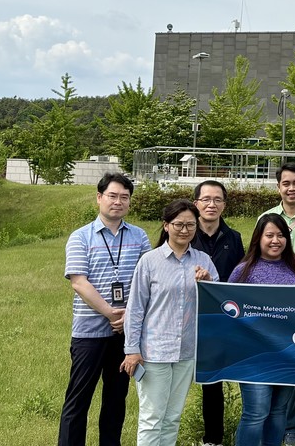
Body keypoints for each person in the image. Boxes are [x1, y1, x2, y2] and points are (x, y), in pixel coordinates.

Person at [59, 172, 152, 446]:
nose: (118, 202)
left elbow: (147, 280)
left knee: (116, 398)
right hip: (89, 333)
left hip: (126, 334)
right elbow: (79, 282)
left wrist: (130, 316)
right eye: (112, 196)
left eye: (124, 197)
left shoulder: (139, 236)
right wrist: (112, 313)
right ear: (99, 198)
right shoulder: (80, 237)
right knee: (78, 398)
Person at [121, 200, 217, 446]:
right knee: (152, 418)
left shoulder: (204, 260)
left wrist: (207, 283)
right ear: (166, 226)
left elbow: (218, 303)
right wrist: (132, 350)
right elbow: (135, 308)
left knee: (173, 417)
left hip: (186, 350)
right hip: (154, 351)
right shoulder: (150, 261)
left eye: (190, 225)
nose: (184, 230)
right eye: (178, 224)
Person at [229, 214, 295, 446]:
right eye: (269, 235)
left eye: (281, 235)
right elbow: (229, 311)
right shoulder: (243, 271)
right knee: (256, 413)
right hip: (253, 356)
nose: (275, 240)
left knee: (279, 412)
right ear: (259, 238)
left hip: (289, 354)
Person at [259, 162, 295, 445]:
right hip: (268, 315)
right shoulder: (267, 217)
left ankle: (292, 428)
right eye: (286, 183)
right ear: (279, 186)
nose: (291, 188)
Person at [191, 180, 244, 446]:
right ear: (196, 203)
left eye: (218, 200)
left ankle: (213, 439)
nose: (211, 205)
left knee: (213, 379)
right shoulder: (183, 231)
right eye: (206, 199)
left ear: (224, 204)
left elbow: (241, 277)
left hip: (220, 319)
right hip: (185, 316)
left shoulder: (233, 238)